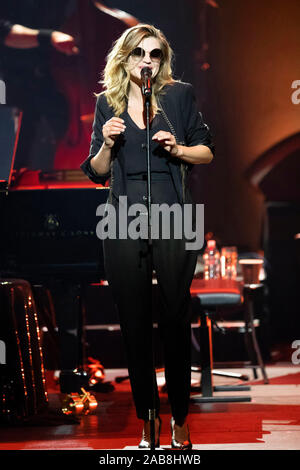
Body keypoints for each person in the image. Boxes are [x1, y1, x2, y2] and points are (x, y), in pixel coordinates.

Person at [81, 24, 215, 449]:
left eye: (155, 54)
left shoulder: (179, 96)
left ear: (163, 60)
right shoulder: (108, 103)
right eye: (139, 52)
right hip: (123, 215)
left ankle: (179, 416)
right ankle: (148, 418)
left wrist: (176, 148)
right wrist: (105, 144)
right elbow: (98, 171)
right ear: (125, 57)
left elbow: (206, 151)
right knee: (134, 321)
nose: (147, 61)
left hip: (174, 212)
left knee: (175, 316)